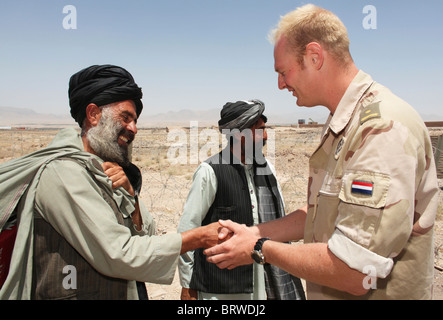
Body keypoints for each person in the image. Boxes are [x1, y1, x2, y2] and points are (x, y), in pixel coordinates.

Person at [204, 4, 439, 300]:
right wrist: (254, 232)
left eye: (283, 71)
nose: (280, 84)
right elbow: (320, 216)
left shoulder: (379, 128)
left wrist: (258, 249)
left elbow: (354, 270)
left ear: (314, 57)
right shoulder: (344, 122)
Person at [0, 64, 221, 300]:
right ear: (93, 114)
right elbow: (118, 253)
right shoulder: (62, 173)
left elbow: (148, 236)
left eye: (135, 120)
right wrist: (196, 238)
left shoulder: (105, 170)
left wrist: (130, 197)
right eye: (125, 117)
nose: (133, 128)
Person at [178, 100, 305, 300]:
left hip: (267, 280)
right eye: (259, 130)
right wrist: (187, 285)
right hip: (222, 287)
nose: (265, 136)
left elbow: (280, 217)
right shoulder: (210, 171)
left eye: (265, 129)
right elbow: (188, 230)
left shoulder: (267, 168)